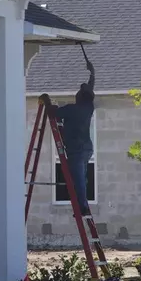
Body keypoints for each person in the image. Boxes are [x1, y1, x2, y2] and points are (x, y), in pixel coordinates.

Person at [52, 59, 95, 217]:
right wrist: (92, 73)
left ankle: (82, 207)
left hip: (76, 151)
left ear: (79, 97)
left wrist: (51, 105)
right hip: (87, 149)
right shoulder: (88, 108)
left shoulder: (71, 110)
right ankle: (84, 204)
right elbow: (90, 90)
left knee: (78, 181)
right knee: (82, 178)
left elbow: (54, 113)